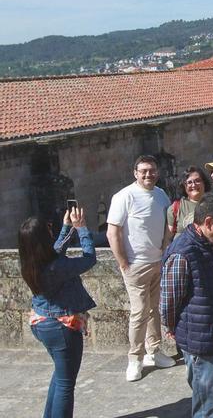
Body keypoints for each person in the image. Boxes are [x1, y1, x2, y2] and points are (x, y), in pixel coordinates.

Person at [160, 195, 213, 418]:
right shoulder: (183, 252)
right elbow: (168, 303)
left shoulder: (210, 245)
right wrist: (176, 329)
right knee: (208, 409)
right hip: (204, 341)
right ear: (209, 222)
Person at [19, 208, 96, 418]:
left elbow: (54, 252)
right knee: (65, 385)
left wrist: (66, 228)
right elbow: (89, 259)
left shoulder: (30, 262)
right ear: (44, 238)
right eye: (48, 230)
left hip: (41, 322)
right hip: (61, 328)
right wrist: (82, 229)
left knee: (61, 377)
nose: (51, 231)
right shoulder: (56, 267)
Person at [107, 154, 175, 382]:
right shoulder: (124, 196)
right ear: (135, 173)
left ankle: (153, 352)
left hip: (158, 261)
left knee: (155, 309)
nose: (148, 174)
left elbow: (168, 224)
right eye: (143, 171)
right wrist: (123, 263)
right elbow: (112, 232)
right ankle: (134, 358)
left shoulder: (161, 194)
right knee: (139, 312)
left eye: (152, 170)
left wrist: (165, 248)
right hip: (136, 265)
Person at [164, 166, 212, 246]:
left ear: (204, 183)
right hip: (182, 255)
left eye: (197, 181)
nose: (193, 185)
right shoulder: (176, 207)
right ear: (184, 186)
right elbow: (167, 239)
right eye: (189, 182)